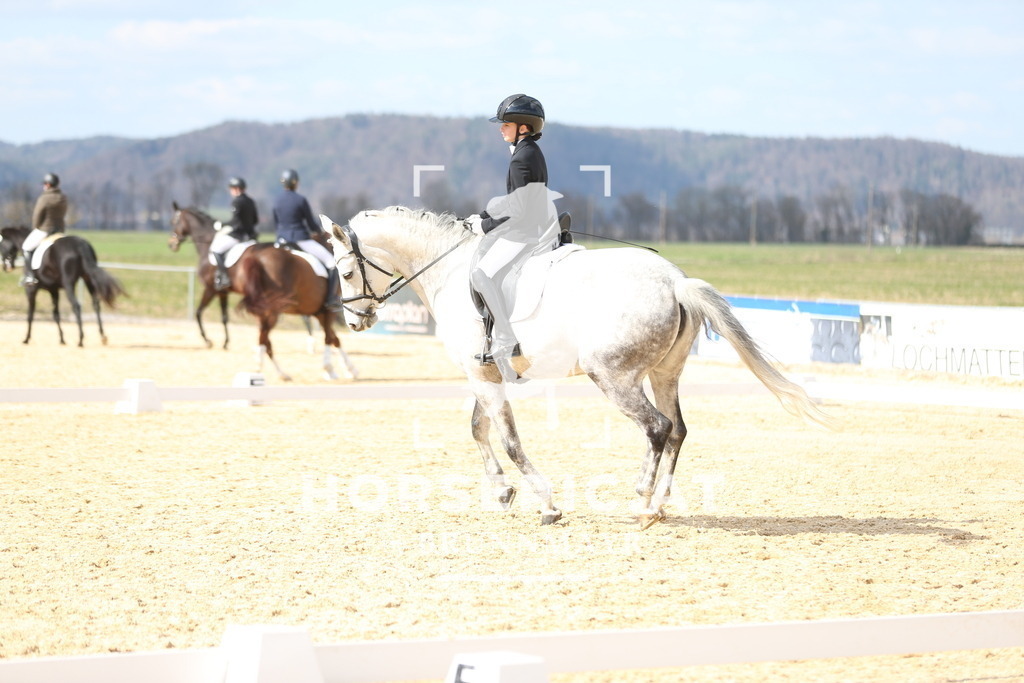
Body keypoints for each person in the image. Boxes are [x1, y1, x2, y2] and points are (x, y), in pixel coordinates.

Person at [466, 94, 560, 376]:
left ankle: (505, 338)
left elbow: (519, 209)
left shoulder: (522, 158)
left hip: (524, 231)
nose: (500, 128)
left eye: (505, 124)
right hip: (533, 224)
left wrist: (485, 228)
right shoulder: (528, 152)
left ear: (523, 127)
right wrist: (484, 214)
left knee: (480, 274)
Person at [272, 168, 342, 313]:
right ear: (295, 183)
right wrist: (320, 232)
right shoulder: (300, 200)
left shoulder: (276, 200)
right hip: (300, 239)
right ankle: (331, 299)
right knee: (332, 263)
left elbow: (276, 222)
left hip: (281, 240)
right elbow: (310, 223)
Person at [210, 176, 259, 291]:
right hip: (251, 235)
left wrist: (222, 225)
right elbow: (255, 220)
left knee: (216, 249)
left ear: (236, 189)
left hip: (238, 235)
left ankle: (224, 276)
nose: (231, 191)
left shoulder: (237, 201)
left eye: (231, 189)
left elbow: (235, 221)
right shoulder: (251, 201)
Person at [20, 172, 69, 286]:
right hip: (60, 230)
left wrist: (36, 227)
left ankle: (30, 276)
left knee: (26, 247)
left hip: (45, 229)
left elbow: (37, 215)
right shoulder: (63, 197)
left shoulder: (44, 198)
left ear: (47, 184)